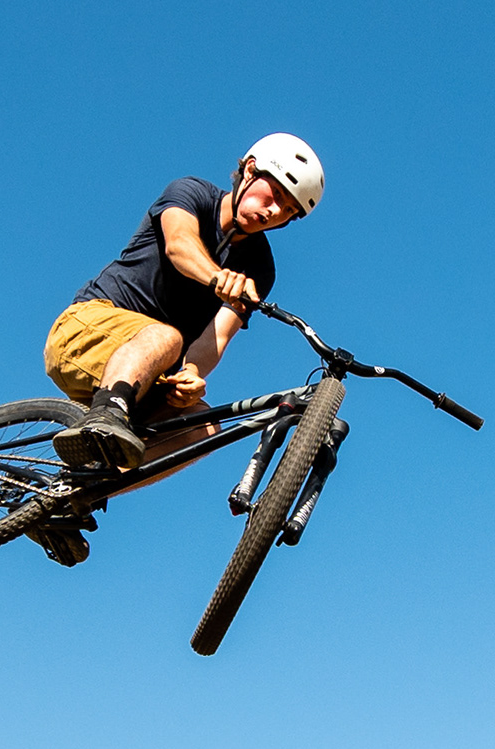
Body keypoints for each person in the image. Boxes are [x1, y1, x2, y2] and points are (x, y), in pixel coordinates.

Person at [29, 134, 325, 566]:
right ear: (249, 170)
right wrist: (217, 277)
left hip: (150, 369)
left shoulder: (259, 267)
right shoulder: (192, 193)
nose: (274, 211)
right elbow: (179, 244)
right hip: (85, 330)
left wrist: (192, 375)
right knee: (167, 337)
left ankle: (74, 496)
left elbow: (216, 337)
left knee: (203, 428)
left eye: (288, 211)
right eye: (275, 194)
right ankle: (106, 415)